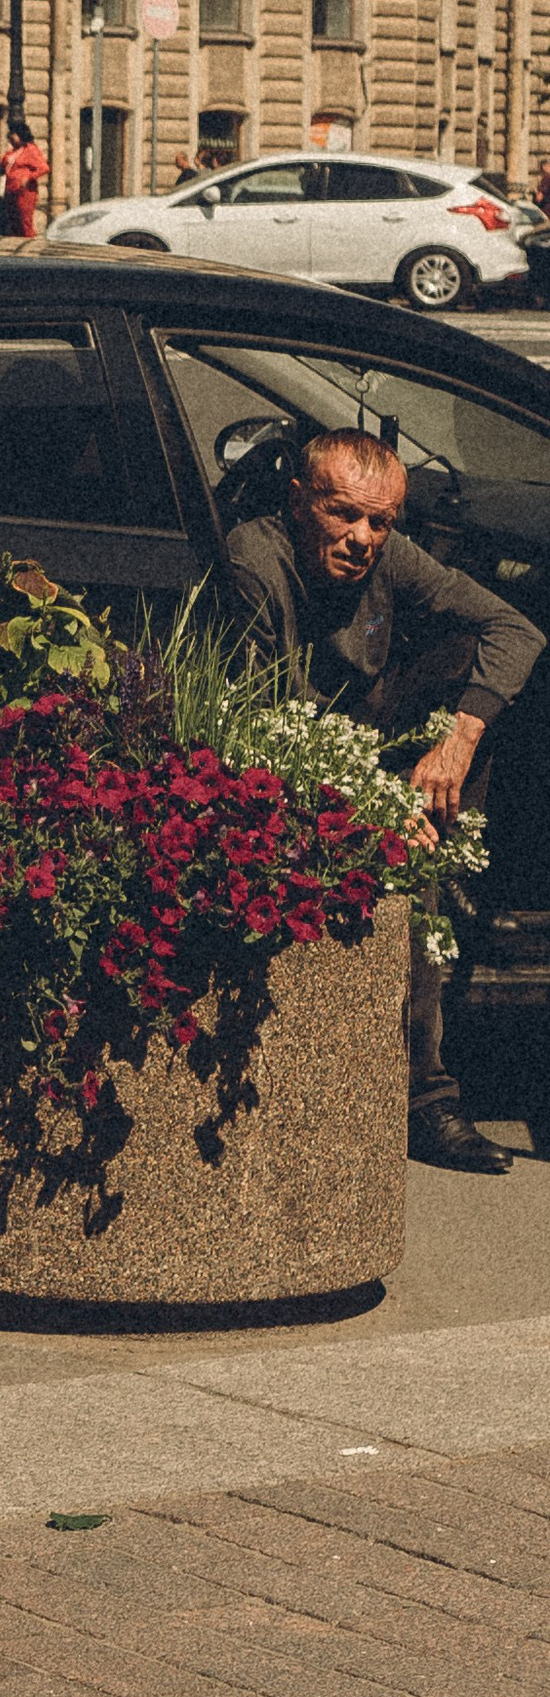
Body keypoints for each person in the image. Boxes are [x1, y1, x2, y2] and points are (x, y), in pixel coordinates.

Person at [224, 425, 542, 1173]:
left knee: (475, 672)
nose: (363, 537)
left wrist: (455, 744)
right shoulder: (255, 561)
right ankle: (422, 1097)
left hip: (358, 743)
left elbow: (515, 628)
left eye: (381, 522)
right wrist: (371, 805)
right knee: (408, 853)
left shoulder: (385, 556)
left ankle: (442, 882)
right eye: (343, 515)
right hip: (284, 763)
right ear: (299, 501)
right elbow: (254, 736)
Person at [0, 115, 47, 239]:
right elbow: (4, 166)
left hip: (25, 191)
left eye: (14, 135)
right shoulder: (12, 151)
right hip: (11, 190)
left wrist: (30, 177)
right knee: (14, 223)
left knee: (25, 221)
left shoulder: (31, 150)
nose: (12, 138)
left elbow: (44, 167)